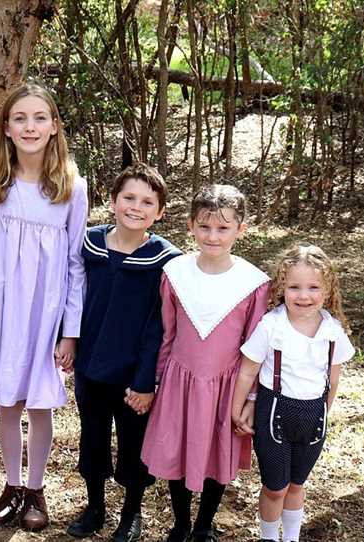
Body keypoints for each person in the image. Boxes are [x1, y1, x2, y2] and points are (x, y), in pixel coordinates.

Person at [0, 83, 87, 532]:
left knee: (39, 403)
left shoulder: (70, 186)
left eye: (40, 117)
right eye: (20, 118)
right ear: (6, 127)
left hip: (45, 311)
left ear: (54, 125)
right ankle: (12, 485)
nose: (30, 126)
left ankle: (36, 489)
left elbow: (77, 263)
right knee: (6, 402)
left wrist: (70, 331)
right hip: (3, 308)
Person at [140, 185, 270, 542]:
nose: (213, 236)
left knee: (217, 451)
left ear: (241, 229)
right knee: (178, 451)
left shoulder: (253, 283)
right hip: (179, 382)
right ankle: (181, 524)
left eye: (223, 228)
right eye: (205, 227)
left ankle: (203, 525)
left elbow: (254, 348)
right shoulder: (175, 272)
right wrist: (156, 381)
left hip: (226, 386)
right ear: (190, 226)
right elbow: (167, 333)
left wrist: (250, 399)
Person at [66, 163, 181, 540]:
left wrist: (146, 381)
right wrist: (67, 340)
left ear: (160, 212)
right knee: (93, 439)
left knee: (134, 445)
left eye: (148, 201)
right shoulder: (89, 244)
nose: (136, 206)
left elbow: (160, 328)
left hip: (135, 376)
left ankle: (132, 512)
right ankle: (95, 506)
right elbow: (70, 297)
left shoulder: (165, 261)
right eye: (128, 197)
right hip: (91, 367)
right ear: (112, 201)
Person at [232, 243, 354, 542]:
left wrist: (324, 412)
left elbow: (333, 379)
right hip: (274, 413)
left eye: (313, 287)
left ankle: (292, 538)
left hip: (314, 417)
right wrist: (237, 408)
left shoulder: (332, 329)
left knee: (297, 485)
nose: (304, 295)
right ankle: (269, 537)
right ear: (281, 287)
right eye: (294, 287)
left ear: (327, 290)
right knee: (276, 487)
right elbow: (248, 370)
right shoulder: (271, 325)